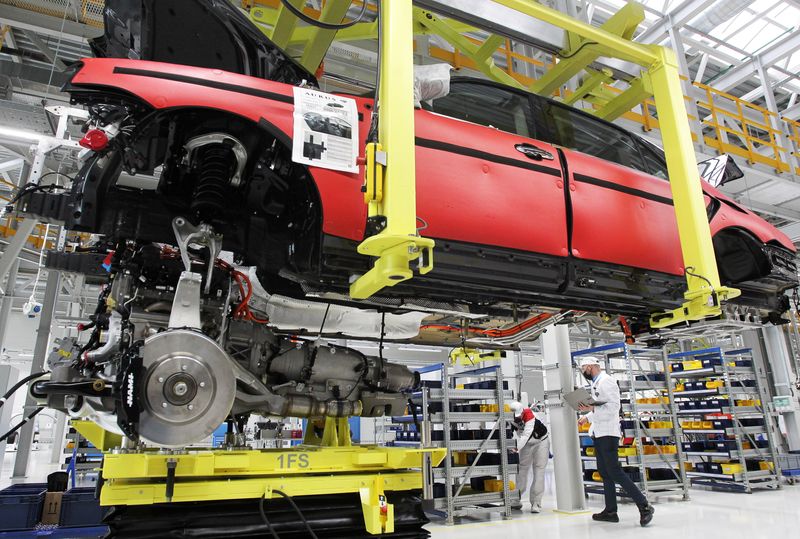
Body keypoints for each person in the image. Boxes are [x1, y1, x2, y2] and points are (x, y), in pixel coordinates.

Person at [577, 357, 655, 527]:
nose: (583, 373)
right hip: (599, 433)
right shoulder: (596, 383)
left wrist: (592, 409)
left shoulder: (607, 382)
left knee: (615, 471)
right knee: (605, 472)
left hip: (608, 433)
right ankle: (611, 511)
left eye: (584, 369)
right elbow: (600, 405)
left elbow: (613, 407)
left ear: (590, 367)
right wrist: (587, 416)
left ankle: (644, 506)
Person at [509, 400, 549, 513]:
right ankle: (515, 499)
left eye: (518, 417)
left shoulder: (529, 415)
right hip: (526, 444)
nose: (517, 420)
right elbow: (508, 432)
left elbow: (526, 434)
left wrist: (516, 448)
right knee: (521, 469)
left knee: (539, 470)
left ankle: (536, 503)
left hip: (541, 442)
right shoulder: (509, 417)